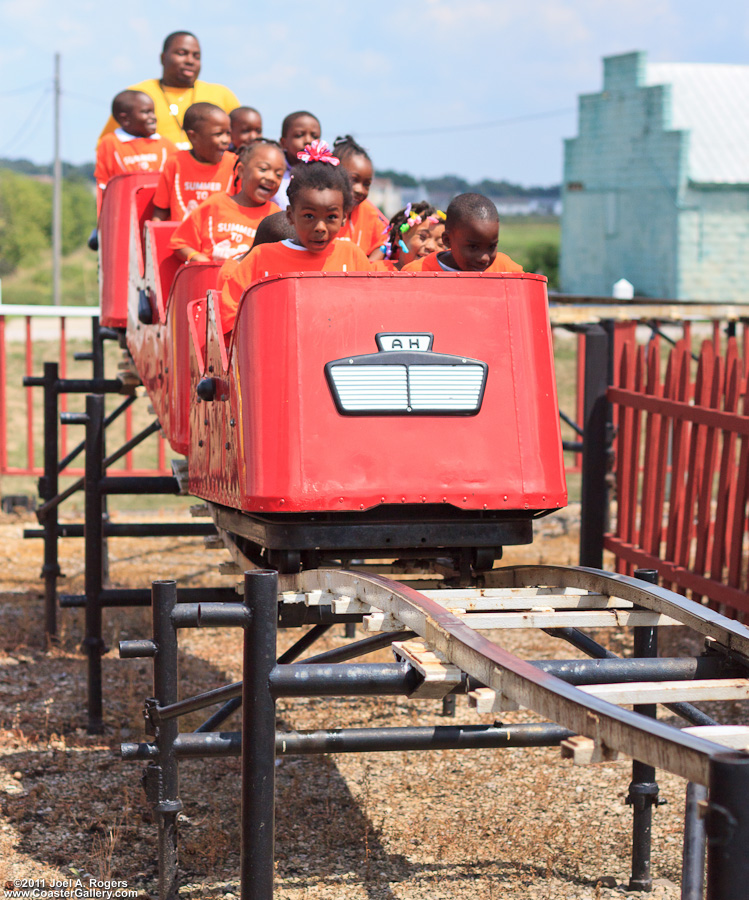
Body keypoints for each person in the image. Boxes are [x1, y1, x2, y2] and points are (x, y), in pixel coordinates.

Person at [222, 140, 372, 332]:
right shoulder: (260, 257)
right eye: (309, 216)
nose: (320, 227)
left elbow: (369, 312)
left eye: (331, 217)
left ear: (344, 217)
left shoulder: (353, 257)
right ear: (290, 215)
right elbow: (229, 316)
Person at [98, 32, 240, 150]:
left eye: (196, 56)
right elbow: (106, 146)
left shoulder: (222, 95)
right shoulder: (137, 95)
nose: (190, 60)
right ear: (163, 58)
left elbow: (244, 140)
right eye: (182, 53)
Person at [170, 139, 285, 262]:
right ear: (241, 171)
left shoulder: (276, 216)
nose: (271, 178)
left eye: (278, 175)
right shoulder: (215, 204)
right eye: (263, 169)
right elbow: (180, 243)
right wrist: (199, 260)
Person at [151, 103, 236, 221]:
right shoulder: (175, 162)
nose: (226, 140)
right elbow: (161, 209)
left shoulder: (235, 164)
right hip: (179, 237)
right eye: (218, 134)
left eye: (228, 133)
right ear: (193, 137)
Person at [94, 90, 176, 212]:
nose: (153, 117)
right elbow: (103, 184)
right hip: (124, 212)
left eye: (153, 112)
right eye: (146, 112)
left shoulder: (165, 144)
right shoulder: (110, 143)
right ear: (125, 119)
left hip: (159, 213)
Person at [402, 193, 523, 273]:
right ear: (447, 240)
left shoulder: (505, 269)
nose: (484, 258)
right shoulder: (417, 273)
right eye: (473, 247)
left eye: (491, 247)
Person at [331, 135, 389, 258]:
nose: (360, 190)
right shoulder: (319, 207)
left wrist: (368, 267)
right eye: (353, 180)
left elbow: (384, 243)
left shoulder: (368, 212)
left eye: (366, 184)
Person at [271, 110, 321, 209]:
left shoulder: (323, 172)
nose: (308, 140)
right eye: (299, 135)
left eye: (314, 136)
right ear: (283, 143)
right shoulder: (273, 169)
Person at [379, 202, 445, 270]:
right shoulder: (378, 270)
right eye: (422, 237)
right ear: (399, 238)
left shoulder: (446, 277)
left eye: (440, 243)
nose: (431, 247)